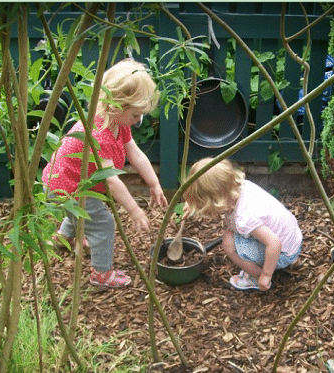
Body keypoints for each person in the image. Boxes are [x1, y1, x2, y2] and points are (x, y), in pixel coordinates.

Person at [42, 58, 167, 288]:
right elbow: (110, 180)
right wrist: (134, 210)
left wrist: (154, 183)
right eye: (136, 115)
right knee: (102, 223)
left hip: (67, 183)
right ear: (116, 105)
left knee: (82, 211)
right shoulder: (99, 134)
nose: (139, 121)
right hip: (66, 187)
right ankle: (101, 275)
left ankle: (65, 237)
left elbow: (135, 153)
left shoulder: (118, 122)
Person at [183, 158, 302, 291]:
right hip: (292, 237)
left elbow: (274, 244)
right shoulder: (242, 186)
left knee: (228, 244)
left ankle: (255, 276)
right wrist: (193, 204)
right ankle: (263, 266)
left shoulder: (244, 218)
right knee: (230, 234)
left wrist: (266, 276)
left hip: (282, 253)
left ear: (217, 200)